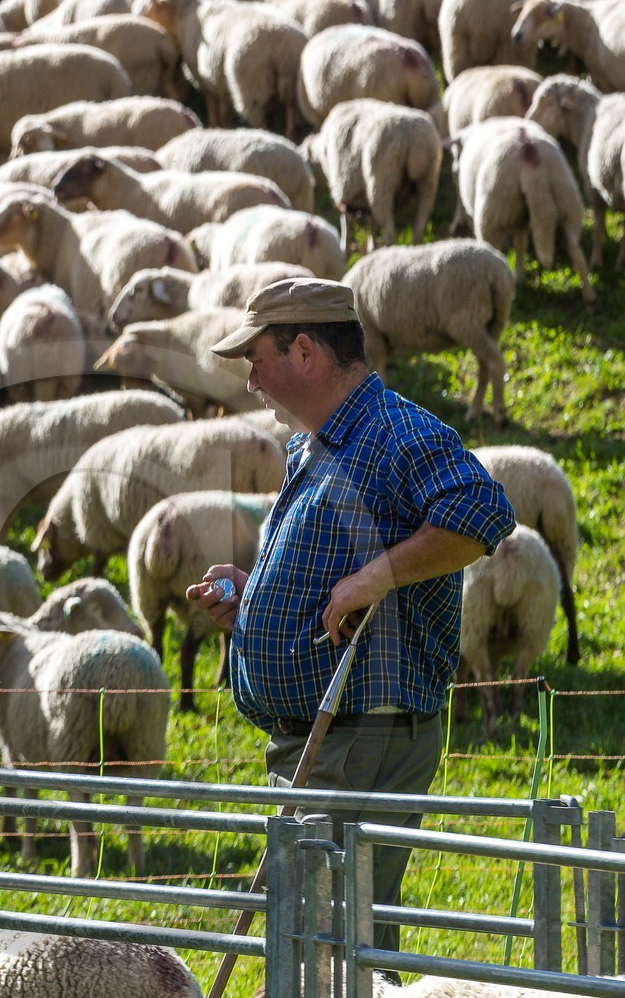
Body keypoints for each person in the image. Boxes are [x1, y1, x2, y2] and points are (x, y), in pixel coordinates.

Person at [185, 277, 516, 950]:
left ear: (303, 351)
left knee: (333, 941)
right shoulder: (313, 444)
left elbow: (482, 512)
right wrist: (254, 602)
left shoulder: (394, 431)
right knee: (319, 938)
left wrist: (373, 578)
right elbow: (328, 572)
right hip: (315, 738)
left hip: (361, 732)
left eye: (257, 360)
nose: (250, 382)